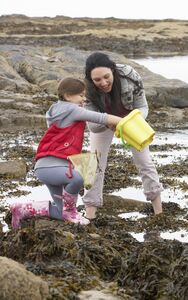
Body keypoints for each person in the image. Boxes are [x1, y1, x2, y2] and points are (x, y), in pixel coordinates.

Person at [10, 77, 122, 229]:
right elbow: (101, 117)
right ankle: (71, 210)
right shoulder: (71, 109)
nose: (84, 99)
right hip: (53, 167)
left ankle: (22, 209)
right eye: (81, 95)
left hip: (47, 168)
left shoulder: (56, 110)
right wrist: (123, 121)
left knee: (60, 211)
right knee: (78, 177)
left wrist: (110, 125)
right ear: (68, 96)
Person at [82, 52, 163, 219]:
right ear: (91, 80)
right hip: (104, 123)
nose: (103, 83)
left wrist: (129, 122)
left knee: (145, 162)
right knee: (94, 165)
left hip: (131, 122)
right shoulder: (87, 90)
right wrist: (112, 122)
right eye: (97, 80)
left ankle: (159, 212)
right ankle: (89, 215)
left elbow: (143, 107)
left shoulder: (130, 75)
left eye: (106, 77)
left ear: (113, 70)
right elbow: (92, 125)